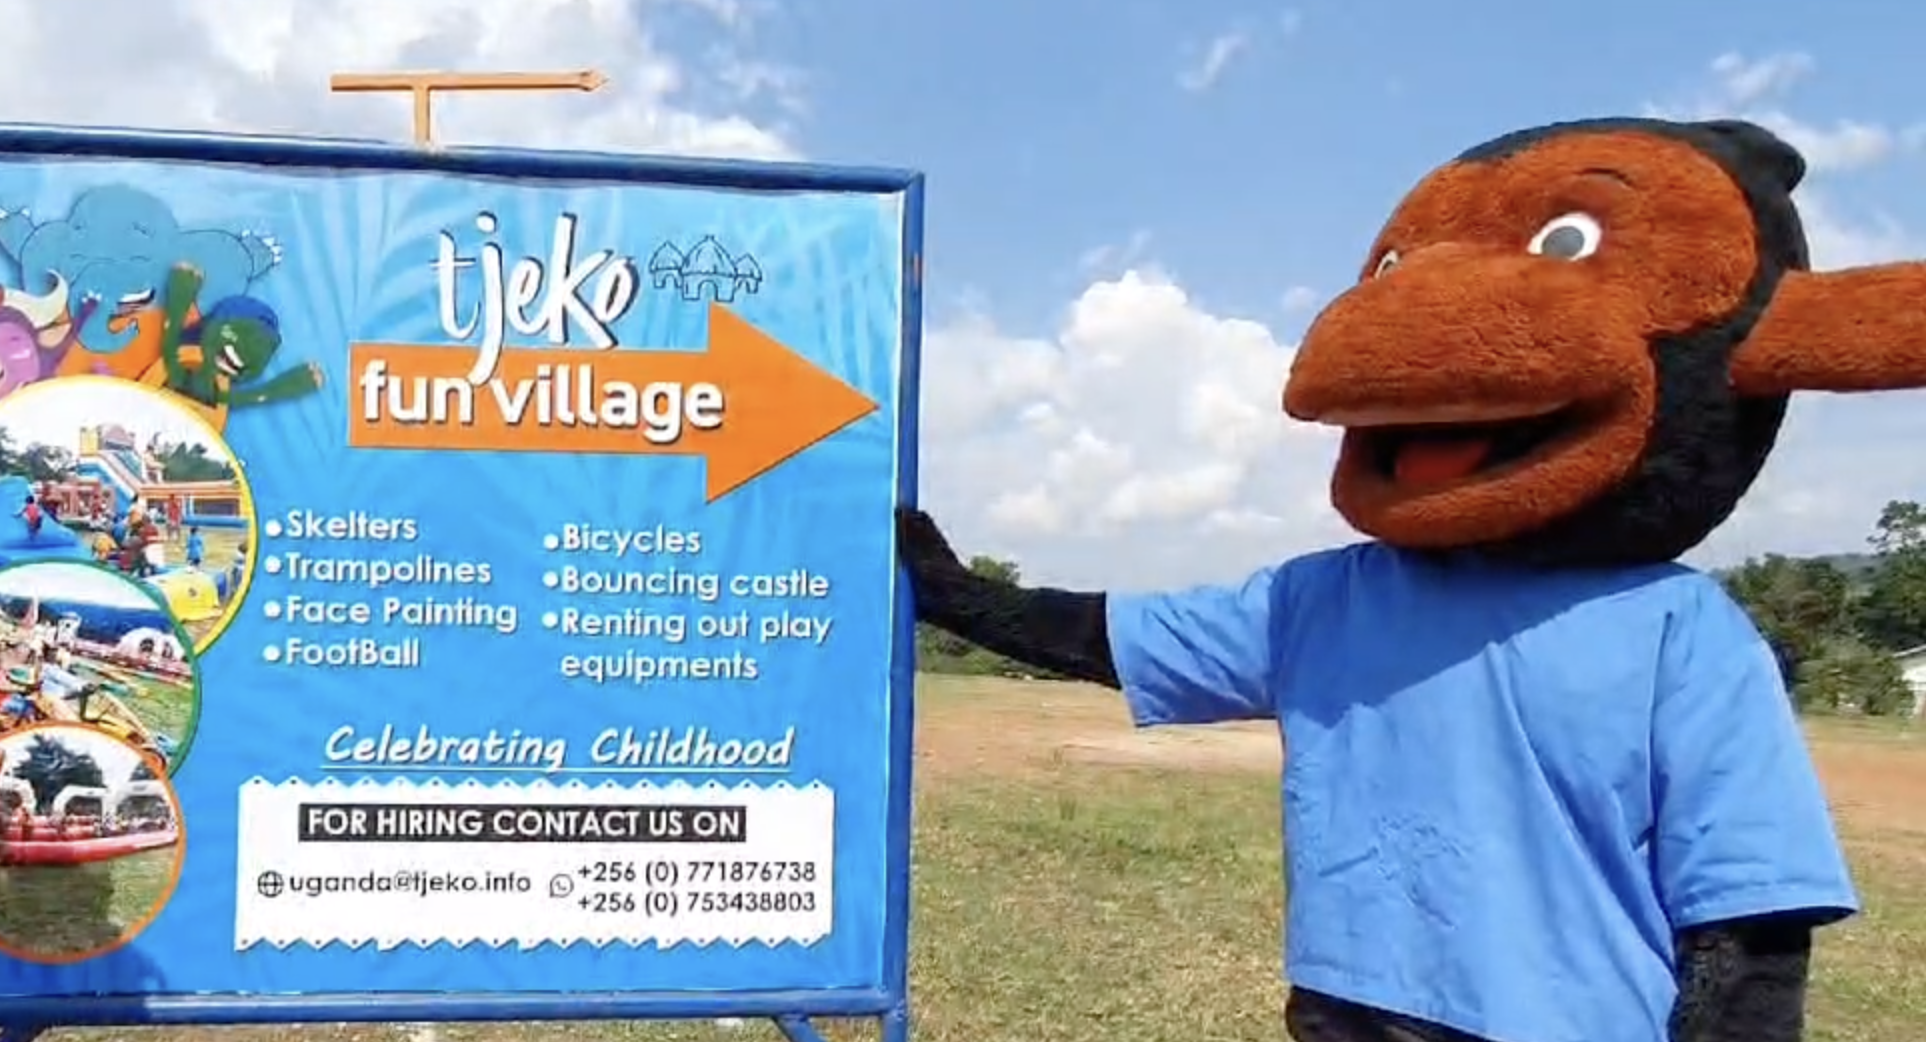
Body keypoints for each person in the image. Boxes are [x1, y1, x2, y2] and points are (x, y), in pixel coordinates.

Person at [900, 117, 1926, 1042]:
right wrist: (954, 591)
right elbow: (1110, 636)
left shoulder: (1682, 629)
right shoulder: (1323, 599)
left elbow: (1749, 913)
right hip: (1345, 1007)